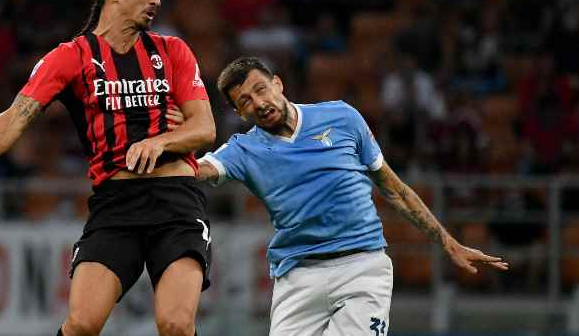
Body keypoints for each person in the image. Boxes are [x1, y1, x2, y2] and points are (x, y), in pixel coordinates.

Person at [0, 0, 216, 336]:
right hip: (115, 205)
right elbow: (17, 115)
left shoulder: (172, 51)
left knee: (176, 324)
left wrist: (161, 141)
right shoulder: (71, 57)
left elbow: (204, 128)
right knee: (82, 324)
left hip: (176, 201)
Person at [192, 56, 507, 336]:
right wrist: (156, 149)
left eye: (260, 89)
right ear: (239, 112)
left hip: (362, 268)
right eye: (245, 101)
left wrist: (448, 243)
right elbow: (197, 170)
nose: (258, 103)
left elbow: (395, 190)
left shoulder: (342, 117)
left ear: (278, 83)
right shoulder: (243, 149)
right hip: (299, 275)